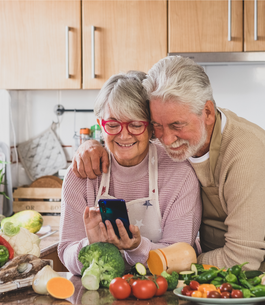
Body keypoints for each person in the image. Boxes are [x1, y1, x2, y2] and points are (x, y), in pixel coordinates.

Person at [72, 57, 265, 271]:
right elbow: (124, 131)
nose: (166, 139)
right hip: (217, 269)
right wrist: (92, 145)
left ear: (208, 113)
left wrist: (173, 261)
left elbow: (242, 258)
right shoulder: (179, 134)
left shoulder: (246, 156)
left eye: (177, 125)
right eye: (157, 125)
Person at [58, 71, 202, 275]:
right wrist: (90, 246)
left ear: (151, 128)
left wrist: (137, 248)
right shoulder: (82, 174)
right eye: (113, 125)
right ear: (101, 125)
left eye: (135, 125)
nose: (124, 135)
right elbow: (65, 252)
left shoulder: (179, 174)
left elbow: (180, 257)